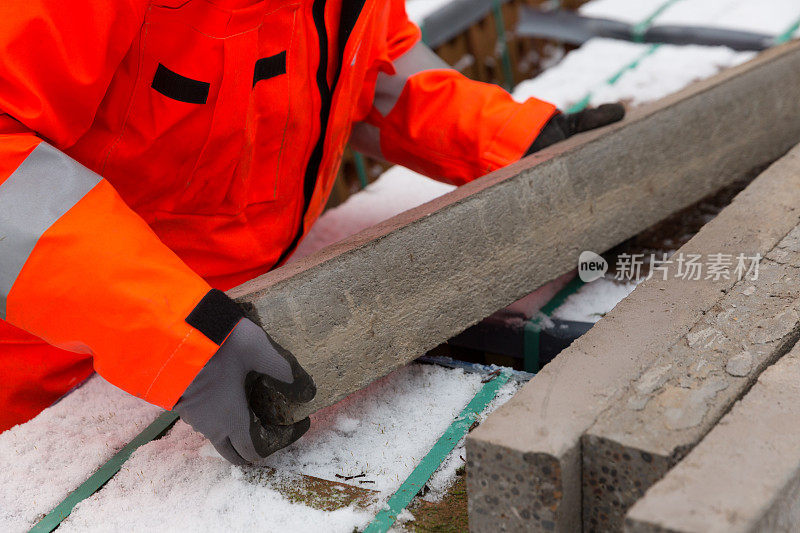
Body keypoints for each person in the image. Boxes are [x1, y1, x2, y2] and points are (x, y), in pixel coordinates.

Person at [0, 0, 623, 463]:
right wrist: (169, 335)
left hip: (230, 347)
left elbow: (368, 74)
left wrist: (514, 141)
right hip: (35, 404)